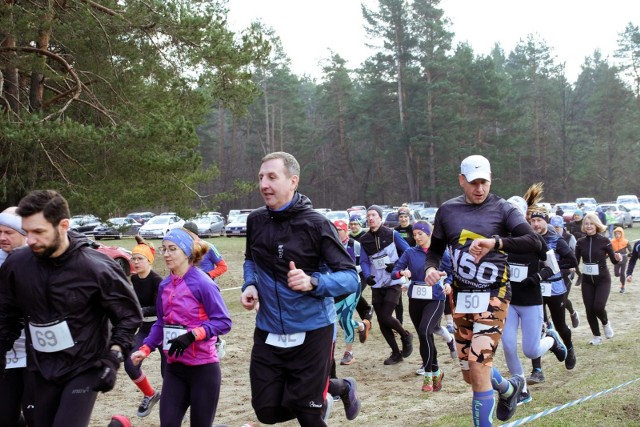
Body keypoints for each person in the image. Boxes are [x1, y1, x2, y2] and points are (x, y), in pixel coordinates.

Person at [0, 190, 142, 427]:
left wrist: (113, 358)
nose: (31, 239)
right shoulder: (17, 265)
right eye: (27, 231)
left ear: (63, 225)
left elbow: (128, 316)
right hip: (41, 368)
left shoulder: (96, 268)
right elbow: (7, 314)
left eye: (39, 232)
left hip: (84, 366)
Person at [240, 152, 359, 426]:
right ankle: (336, 388)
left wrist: (313, 282)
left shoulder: (316, 224)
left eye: (272, 177)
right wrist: (251, 284)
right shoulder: (255, 221)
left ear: (293, 181)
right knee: (266, 411)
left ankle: (319, 396)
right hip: (269, 330)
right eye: (261, 178)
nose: (264, 185)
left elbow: (350, 278)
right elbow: (250, 259)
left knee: (308, 413)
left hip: (312, 330)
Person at [424, 155, 541, 425]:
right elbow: (435, 251)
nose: (480, 189)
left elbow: (533, 242)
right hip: (462, 298)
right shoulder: (447, 211)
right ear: (461, 180)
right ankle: (509, 389)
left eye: (484, 182)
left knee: (478, 368)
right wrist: (430, 268)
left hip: (495, 296)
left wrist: (495, 243)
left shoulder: (503, 209)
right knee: (470, 374)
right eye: (474, 182)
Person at [130, 227, 232, 426]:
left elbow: (223, 322)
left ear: (186, 252)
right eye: (164, 249)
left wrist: (192, 335)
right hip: (175, 368)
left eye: (172, 249)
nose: (166, 254)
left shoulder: (203, 283)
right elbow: (161, 323)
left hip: (203, 369)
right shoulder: (164, 285)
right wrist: (146, 348)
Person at [501, 194, 568, 406]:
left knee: (530, 350)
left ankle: (552, 339)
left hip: (531, 301)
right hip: (509, 301)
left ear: (523, 217)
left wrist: (537, 277)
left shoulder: (534, 239)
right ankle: (521, 390)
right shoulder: (500, 238)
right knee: (508, 345)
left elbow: (553, 267)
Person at [391, 220, 452, 392]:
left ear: (429, 234)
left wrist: (448, 283)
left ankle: (427, 375)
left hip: (436, 298)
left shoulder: (440, 253)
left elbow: (451, 273)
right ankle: (436, 371)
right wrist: (402, 272)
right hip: (416, 300)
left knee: (426, 330)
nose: (416, 237)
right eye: (415, 234)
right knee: (425, 336)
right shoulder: (410, 252)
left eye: (420, 234)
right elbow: (394, 272)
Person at [526, 202, 578, 387]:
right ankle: (537, 370)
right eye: (533, 221)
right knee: (536, 327)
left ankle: (569, 348)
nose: (536, 224)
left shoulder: (556, 239)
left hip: (555, 288)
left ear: (546, 222)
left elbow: (572, 259)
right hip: (535, 289)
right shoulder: (528, 238)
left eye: (539, 220)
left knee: (560, 325)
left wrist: (553, 267)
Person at [360, 204, 413, 365]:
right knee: (382, 322)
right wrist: (368, 276)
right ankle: (396, 353)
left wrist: (397, 265)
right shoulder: (364, 239)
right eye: (368, 216)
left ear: (380, 218)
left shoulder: (392, 234)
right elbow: (363, 260)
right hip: (377, 283)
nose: (370, 218)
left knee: (385, 315)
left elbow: (408, 251)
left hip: (393, 281)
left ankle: (405, 335)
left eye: (373, 215)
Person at [0, 208, 34, 427]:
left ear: (25, 234)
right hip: (5, 356)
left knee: (37, 416)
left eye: (9, 232)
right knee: (5, 418)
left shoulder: (40, 261)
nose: (2, 237)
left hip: (37, 356)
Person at [123, 236, 164, 418]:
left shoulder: (158, 280)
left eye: (140, 259)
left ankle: (175, 403)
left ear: (149, 261)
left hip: (162, 328)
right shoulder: (134, 279)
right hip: (145, 329)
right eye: (134, 258)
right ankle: (150, 393)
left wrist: (138, 310)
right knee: (131, 363)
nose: (136, 262)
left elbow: (159, 308)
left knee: (169, 372)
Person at [575, 213, 622, 345]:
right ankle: (596, 336)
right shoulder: (580, 242)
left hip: (603, 280)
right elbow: (575, 261)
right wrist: (572, 268)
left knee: (598, 307)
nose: (588, 226)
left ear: (596, 225)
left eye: (591, 223)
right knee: (589, 309)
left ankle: (606, 323)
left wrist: (618, 258)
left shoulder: (604, 241)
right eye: (586, 223)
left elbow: (613, 260)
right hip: (587, 281)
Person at [332, 219, 370, 365]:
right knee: (341, 320)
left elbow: (364, 263)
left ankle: (349, 353)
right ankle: (362, 326)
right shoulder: (330, 245)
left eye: (340, 230)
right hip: (336, 287)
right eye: (335, 230)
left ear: (346, 230)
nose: (337, 233)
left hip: (352, 285)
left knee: (345, 319)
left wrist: (351, 269)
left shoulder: (355, 245)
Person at [549, 215, 580, 328]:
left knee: (563, 297)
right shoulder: (546, 237)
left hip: (566, 271)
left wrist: (573, 265)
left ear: (562, 226)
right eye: (553, 227)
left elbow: (576, 252)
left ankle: (572, 314)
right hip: (550, 273)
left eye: (558, 227)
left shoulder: (569, 237)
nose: (556, 229)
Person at [349, 214, 374, 327]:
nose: (353, 226)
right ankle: (366, 316)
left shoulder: (365, 237)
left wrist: (358, 268)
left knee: (355, 293)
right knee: (353, 294)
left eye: (355, 224)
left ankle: (366, 314)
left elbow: (369, 258)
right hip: (350, 273)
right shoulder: (347, 237)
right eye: (351, 224)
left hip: (363, 273)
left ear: (360, 224)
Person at [567, 209, 585, 287]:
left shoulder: (584, 223)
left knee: (586, 262)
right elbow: (568, 233)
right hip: (574, 246)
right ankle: (579, 275)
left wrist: (580, 235)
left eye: (578, 215)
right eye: (575, 215)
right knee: (574, 262)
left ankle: (586, 277)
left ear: (581, 216)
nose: (576, 217)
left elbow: (587, 233)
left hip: (583, 245)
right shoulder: (571, 224)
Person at [611, 227, 630, 293]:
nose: (617, 235)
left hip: (624, 260)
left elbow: (630, 249)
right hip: (616, 259)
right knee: (616, 273)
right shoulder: (612, 242)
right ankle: (620, 276)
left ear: (622, 234)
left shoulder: (626, 241)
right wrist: (607, 255)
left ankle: (622, 286)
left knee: (622, 273)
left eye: (619, 234)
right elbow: (610, 250)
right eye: (616, 234)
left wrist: (631, 253)